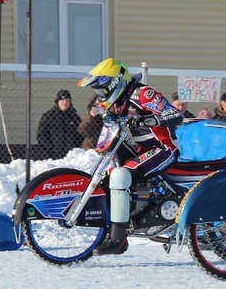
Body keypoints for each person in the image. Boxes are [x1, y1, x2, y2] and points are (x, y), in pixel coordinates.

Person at [77, 58, 184, 255]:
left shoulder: (143, 94)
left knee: (121, 175)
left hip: (164, 148)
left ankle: (119, 240)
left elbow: (175, 116)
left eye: (102, 89)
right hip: (143, 150)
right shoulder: (117, 102)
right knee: (109, 180)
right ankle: (117, 231)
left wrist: (149, 119)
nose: (100, 95)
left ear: (115, 82)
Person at [36, 89, 83, 159]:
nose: (65, 102)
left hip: (72, 156)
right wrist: (50, 148)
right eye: (62, 100)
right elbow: (41, 135)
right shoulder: (48, 116)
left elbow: (81, 135)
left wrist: (76, 148)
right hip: (53, 155)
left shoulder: (74, 117)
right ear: (57, 101)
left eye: (67, 100)